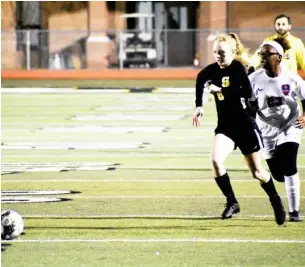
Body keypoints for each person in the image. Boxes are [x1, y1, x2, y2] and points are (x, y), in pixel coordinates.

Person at [192, 33, 286, 225]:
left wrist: (218, 90)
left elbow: (241, 91)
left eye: (222, 52)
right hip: (225, 127)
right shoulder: (212, 70)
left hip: (244, 126)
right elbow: (200, 78)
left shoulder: (238, 69)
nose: (218, 56)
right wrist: (199, 106)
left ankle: (275, 200)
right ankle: (232, 201)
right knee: (216, 161)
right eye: (215, 52)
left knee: (258, 173)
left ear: (233, 52)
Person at [248, 39, 305, 221]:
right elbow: (248, 105)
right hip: (266, 131)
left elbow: (304, 98)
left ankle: (294, 211)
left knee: (289, 166)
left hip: (290, 127)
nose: (263, 57)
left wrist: (304, 115)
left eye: (267, 54)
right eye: (261, 54)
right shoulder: (253, 79)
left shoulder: (292, 78)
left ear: (279, 57)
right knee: (278, 175)